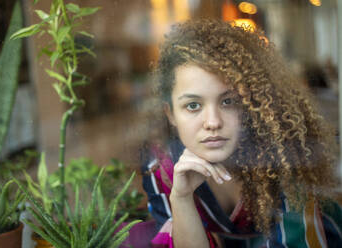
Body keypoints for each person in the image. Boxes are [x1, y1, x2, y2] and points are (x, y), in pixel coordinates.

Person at [141, 19, 342, 248]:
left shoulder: (282, 161)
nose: (213, 122)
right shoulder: (162, 170)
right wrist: (181, 198)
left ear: (250, 105)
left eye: (228, 102)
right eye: (193, 106)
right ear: (170, 114)